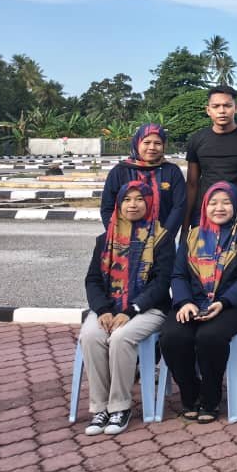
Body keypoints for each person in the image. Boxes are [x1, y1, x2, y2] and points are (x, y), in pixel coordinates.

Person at [159, 182, 237, 422]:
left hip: (232, 305)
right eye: (213, 203)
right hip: (193, 302)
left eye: (226, 202)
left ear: (236, 206)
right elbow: (178, 275)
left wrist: (223, 302)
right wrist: (185, 302)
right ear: (204, 206)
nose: (219, 208)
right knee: (172, 337)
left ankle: (210, 397)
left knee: (209, 337)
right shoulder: (192, 236)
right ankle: (190, 391)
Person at [80, 181, 173, 435]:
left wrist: (130, 310)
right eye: (127, 199)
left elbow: (162, 283)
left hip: (148, 309)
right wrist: (103, 310)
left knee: (121, 337)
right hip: (108, 309)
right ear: (119, 204)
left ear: (150, 203)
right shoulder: (105, 239)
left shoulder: (161, 238)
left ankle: (120, 407)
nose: (133, 204)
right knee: (90, 336)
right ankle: (100, 408)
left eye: (139, 199)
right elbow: (93, 280)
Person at [185, 85, 237, 227]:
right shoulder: (196, 140)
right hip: (204, 214)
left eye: (227, 106)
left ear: (236, 108)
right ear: (208, 110)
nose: (222, 111)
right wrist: (186, 225)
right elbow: (192, 184)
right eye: (216, 106)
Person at [100, 123, 187, 238]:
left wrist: (165, 237)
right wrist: (119, 234)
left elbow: (179, 207)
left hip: (163, 240)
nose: (152, 147)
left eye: (157, 143)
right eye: (146, 142)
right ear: (137, 143)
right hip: (124, 240)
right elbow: (107, 207)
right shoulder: (120, 171)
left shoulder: (172, 171)